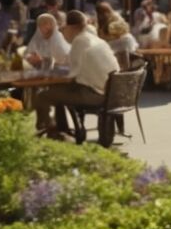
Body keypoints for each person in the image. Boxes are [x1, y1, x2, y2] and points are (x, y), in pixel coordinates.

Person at [33, 10, 119, 140]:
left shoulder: (80, 41)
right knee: (56, 91)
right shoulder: (95, 39)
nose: (62, 32)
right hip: (109, 92)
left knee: (43, 96)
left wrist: (51, 74)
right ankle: (60, 128)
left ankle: (51, 129)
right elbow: (75, 67)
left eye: (63, 28)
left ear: (71, 27)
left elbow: (70, 75)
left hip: (95, 94)